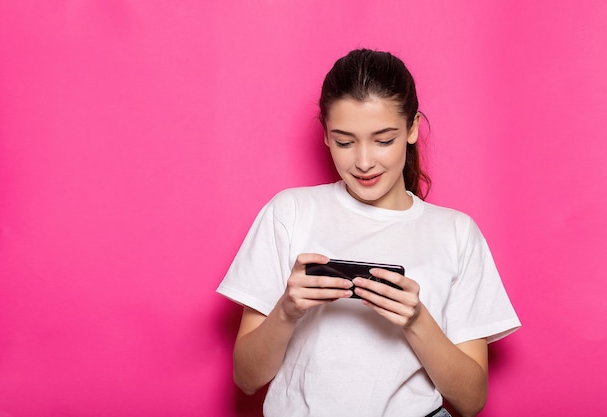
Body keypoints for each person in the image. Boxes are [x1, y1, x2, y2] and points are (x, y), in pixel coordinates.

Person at [217, 48, 520, 417]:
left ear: (411, 129)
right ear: (325, 135)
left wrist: (416, 320)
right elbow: (247, 378)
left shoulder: (456, 233)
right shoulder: (290, 212)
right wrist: (286, 311)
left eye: (383, 140)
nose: (363, 162)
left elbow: (471, 401)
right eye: (344, 141)